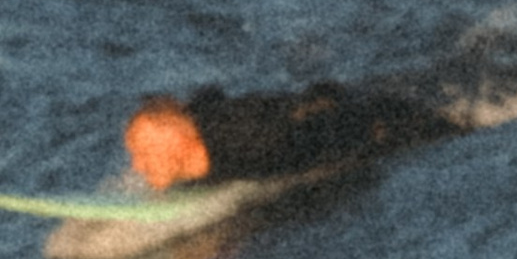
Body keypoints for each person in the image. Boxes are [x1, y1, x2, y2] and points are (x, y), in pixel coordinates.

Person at [125, 74, 464, 191]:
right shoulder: (193, 127)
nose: (137, 166)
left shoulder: (250, 141)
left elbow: (315, 124)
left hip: (367, 124)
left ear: (180, 142)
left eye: (144, 154)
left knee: (455, 129)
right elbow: (208, 96)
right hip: (316, 110)